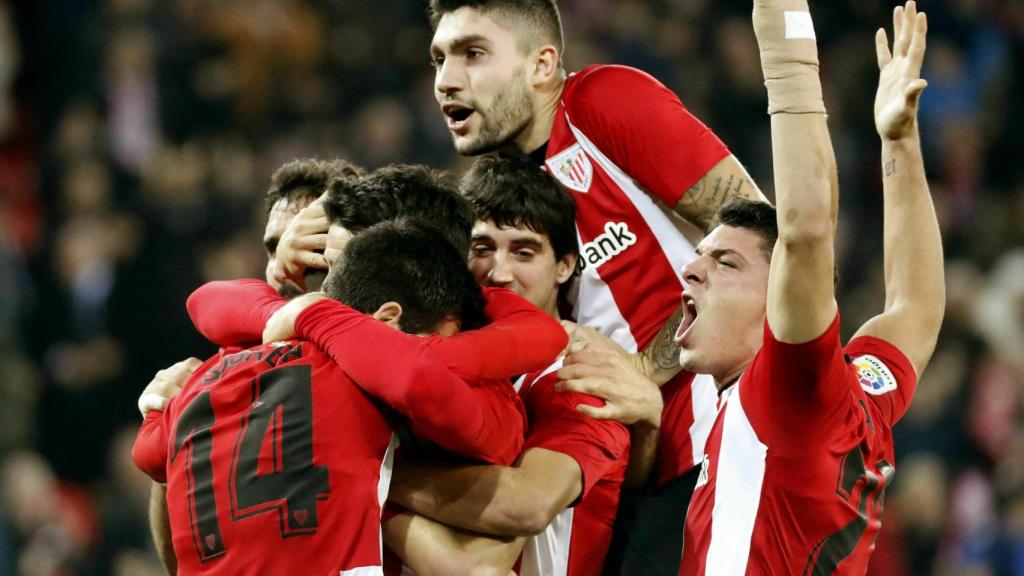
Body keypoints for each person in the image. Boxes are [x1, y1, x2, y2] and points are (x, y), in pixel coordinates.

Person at [561, 1, 943, 572]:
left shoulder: (785, 390)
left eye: (727, 263)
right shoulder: (853, 389)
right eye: (700, 256)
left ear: (781, 298)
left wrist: (785, 41)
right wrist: (900, 140)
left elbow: (808, 229)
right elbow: (915, 304)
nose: (692, 270)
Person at [425, 1, 765, 569]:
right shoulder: (500, 195)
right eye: (439, 59)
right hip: (621, 464)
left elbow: (760, 236)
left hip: (713, 443)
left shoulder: (602, 103)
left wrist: (644, 370)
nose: (447, 81)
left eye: (473, 54)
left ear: (541, 65)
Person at [131, 220, 560, 575]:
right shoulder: (369, 371)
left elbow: (149, 454)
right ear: (389, 320)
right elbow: (471, 417)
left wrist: (155, 408)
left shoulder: (211, 375)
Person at [380, 155, 642, 576]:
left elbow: (528, 504)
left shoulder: (579, 374)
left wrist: (371, 470)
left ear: (565, 266)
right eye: (482, 249)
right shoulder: (450, 362)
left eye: (523, 251)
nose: (498, 272)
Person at [136, 157, 363, 574]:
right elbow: (187, 561)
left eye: (308, 238)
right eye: (273, 246)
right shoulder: (222, 375)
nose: (282, 264)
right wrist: (171, 433)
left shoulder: (380, 350)